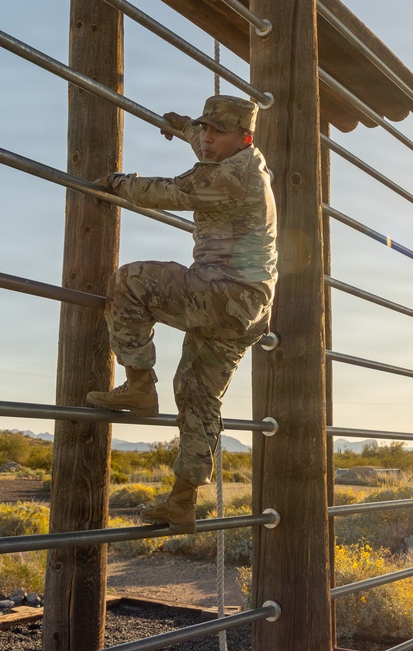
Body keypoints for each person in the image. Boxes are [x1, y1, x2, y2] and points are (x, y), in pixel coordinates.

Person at [85, 95, 278, 533]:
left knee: (130, 281)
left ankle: (137, 385)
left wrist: (116, 182)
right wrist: (182, 126)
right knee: (197, 394)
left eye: (217, 131)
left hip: (222, 294)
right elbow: (206, 141)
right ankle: (182, 503)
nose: (207, 139)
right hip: (249, 309)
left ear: (243, 138)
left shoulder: (231, 177)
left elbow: (168, 192)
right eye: (204, 129)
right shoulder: (245, 155)